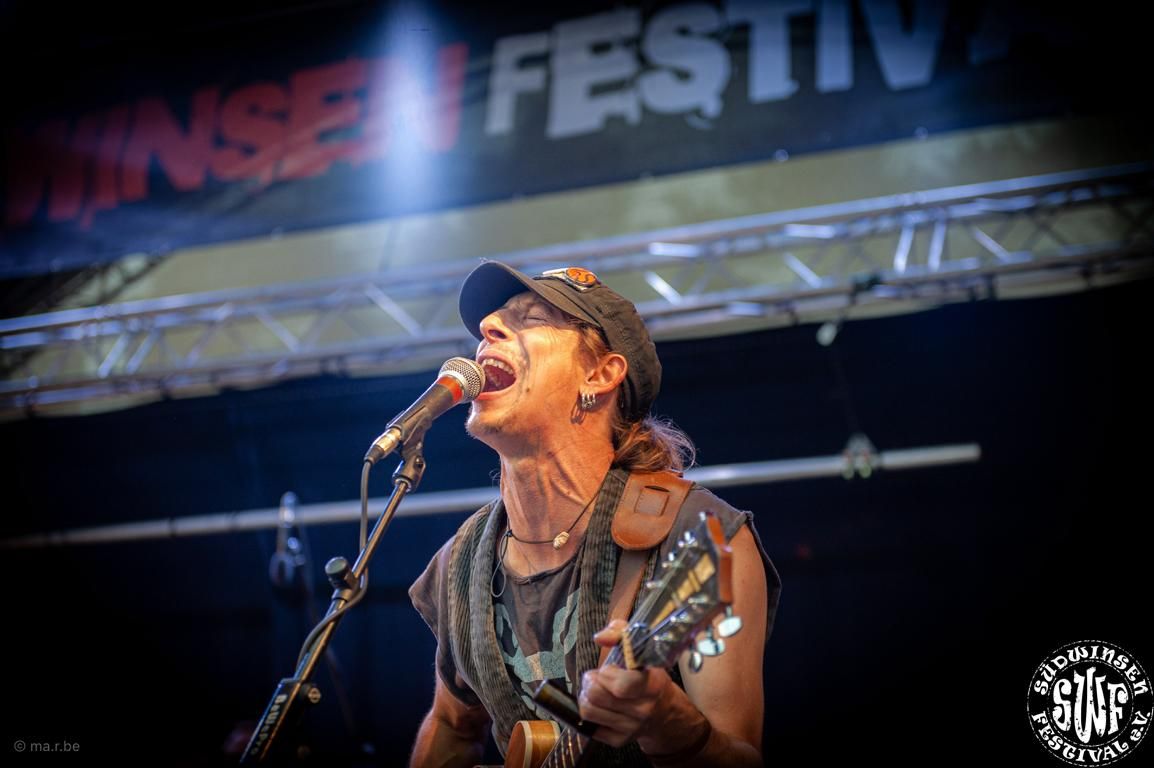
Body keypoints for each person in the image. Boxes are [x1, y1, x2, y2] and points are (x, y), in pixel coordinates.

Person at [408, 261, 781, 767]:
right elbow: (452, 725)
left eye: (531, 318)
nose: (487, 327)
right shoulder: (462, 561)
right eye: (492, 321)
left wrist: (673, 726)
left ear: (600, 375)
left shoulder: (697, 535)